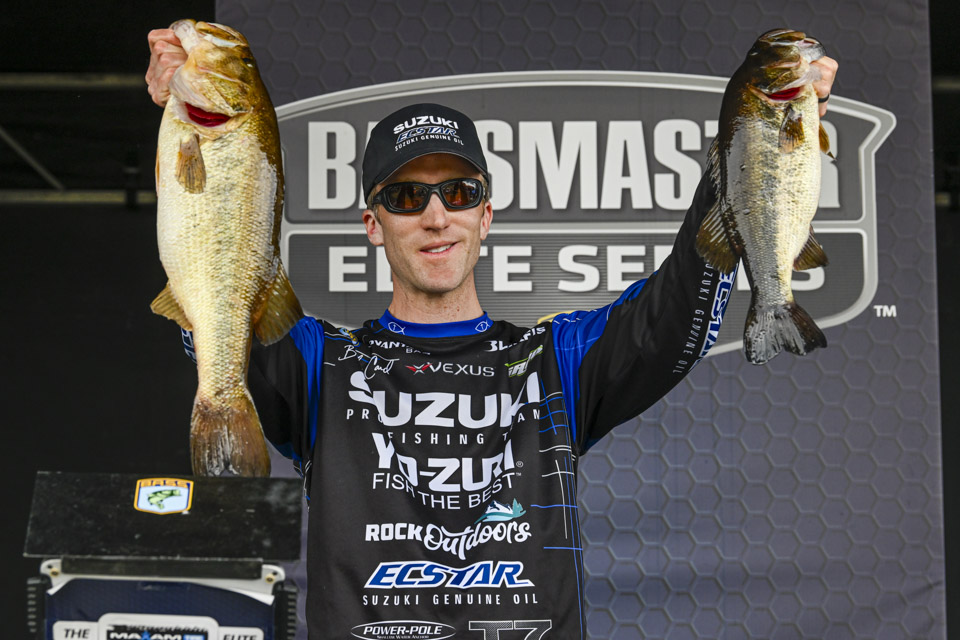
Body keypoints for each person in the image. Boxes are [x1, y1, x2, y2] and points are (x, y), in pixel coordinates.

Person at [147, 27, 837, 639]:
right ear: (373, 225)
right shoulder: (318, 363)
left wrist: (759, 140)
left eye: (459, 192)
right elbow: (218, 280)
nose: (436, 216)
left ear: (485, 216)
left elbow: (677, 302)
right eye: (406, 196)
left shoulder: (555, 361)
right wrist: (186, 107)